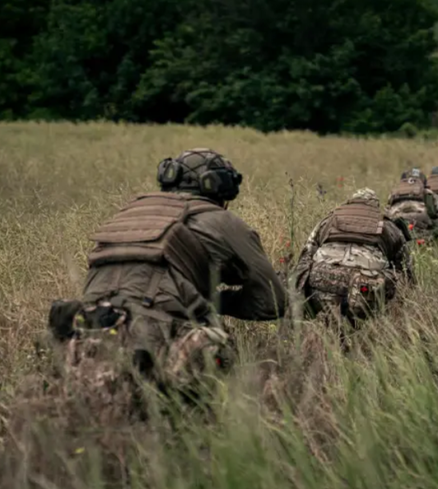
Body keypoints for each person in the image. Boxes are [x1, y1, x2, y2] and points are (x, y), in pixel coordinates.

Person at [47, 148, 287, 410]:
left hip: (85, 331)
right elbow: (272, 301)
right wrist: (214, 301)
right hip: (156, 339)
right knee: (216, 358)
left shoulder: (128, 214)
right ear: (222, 189)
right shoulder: (224, 220)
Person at [293, 188, 414, 344]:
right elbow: (405, 269)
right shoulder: (388, 225)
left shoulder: (328, 220)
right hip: (363, 291)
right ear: (375, 206)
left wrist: (300, 291)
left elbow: (305, 257)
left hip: (321, 283)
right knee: (393, 280)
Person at [385, 167, 438, 241]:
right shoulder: (429, 194)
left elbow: (387, 216)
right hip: (422, 237)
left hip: (398, 235)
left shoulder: (393, 194)